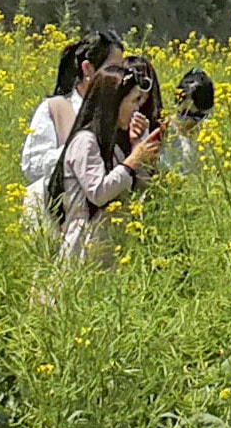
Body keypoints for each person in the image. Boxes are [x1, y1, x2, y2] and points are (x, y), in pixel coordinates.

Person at [51, 61, 165, 264]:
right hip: (83, 250)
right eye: (134, 101)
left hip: (112, 248)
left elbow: (142, 191)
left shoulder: (115, 145)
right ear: (114, 103)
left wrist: (138, 145)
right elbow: (99, 193)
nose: (137, 109)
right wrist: (133, 160)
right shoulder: (85, 141)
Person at [20, 31, 121, 234]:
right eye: (112, 69)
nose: (119, 78)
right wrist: (76, 152)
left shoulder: (121, 112)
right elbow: (32, 167)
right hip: (59, 221)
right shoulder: (55, 108)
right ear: (87, 69)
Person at [163, 67, 217, 175]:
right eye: (182, 114)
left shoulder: (213, 135)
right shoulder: (166, 132)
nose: (187, 121)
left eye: (196, 116)